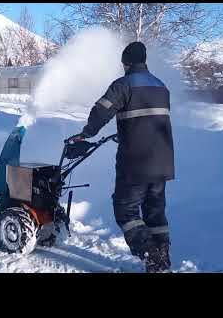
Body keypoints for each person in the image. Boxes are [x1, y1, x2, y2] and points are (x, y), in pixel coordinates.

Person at [68, 41, 175, 273]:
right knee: (154, 212)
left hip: (136, 162)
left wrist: (86, 134)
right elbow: (150, 120)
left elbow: (101, 111)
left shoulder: (123, 84)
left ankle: (153, 258)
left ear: (126, 63)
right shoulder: (161, 86)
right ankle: (162, 259)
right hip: (163, 162)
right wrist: (127, 130)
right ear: (144, 61)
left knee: (125, 210)